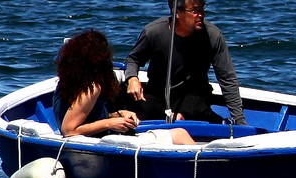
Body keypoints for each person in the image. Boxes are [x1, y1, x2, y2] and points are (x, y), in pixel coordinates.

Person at [125, 0, 248, 126]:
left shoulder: (213, 36)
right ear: (177, 13)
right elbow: (133, 59)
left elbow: (227, 79)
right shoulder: (154, 32)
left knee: (191, 109)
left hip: (195, 96)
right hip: (159, 95)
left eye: (202, 9)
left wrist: (240, 120)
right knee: (135, 112)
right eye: (195, 11)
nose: (201, 15)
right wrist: (132, 78)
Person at [53, 29, 193, 144]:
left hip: (95, 139)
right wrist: (110, 123)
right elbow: (69, 130)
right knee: (180, 134)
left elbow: (84, 115)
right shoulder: (92, 88)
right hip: (102, 142)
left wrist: (116, 114)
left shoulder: (67, 82)